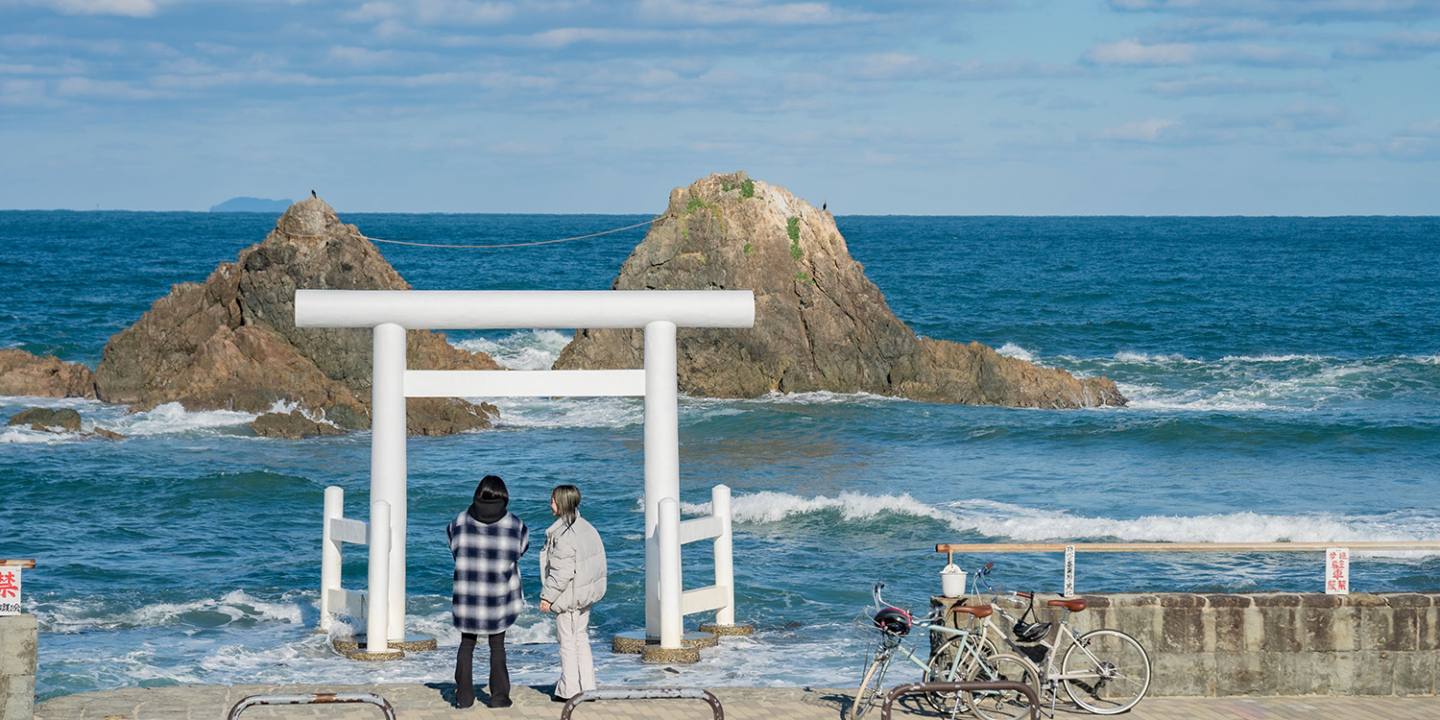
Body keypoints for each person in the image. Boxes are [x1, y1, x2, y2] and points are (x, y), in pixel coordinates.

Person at [446, 475, 530, 709]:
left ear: (478, 493)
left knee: (466, 644)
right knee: (497, 645)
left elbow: (453, 544)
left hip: (467, 594)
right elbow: (521, 550)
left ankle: (464, 698)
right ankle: (499, 698)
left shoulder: (460, 521)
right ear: (503, 496)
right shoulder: (515, 524)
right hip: (498, 596)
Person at [539, 484, 608, 702]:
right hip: (584, 595)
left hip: (569, 597)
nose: (550, 504)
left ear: (562, 503)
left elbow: (562, 573)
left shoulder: (564, 536)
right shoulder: (587, 527)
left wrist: (547, 597)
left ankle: (570, 691)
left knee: (567, 642)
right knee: (580, 638)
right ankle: (588, 687)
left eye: (552, 500)